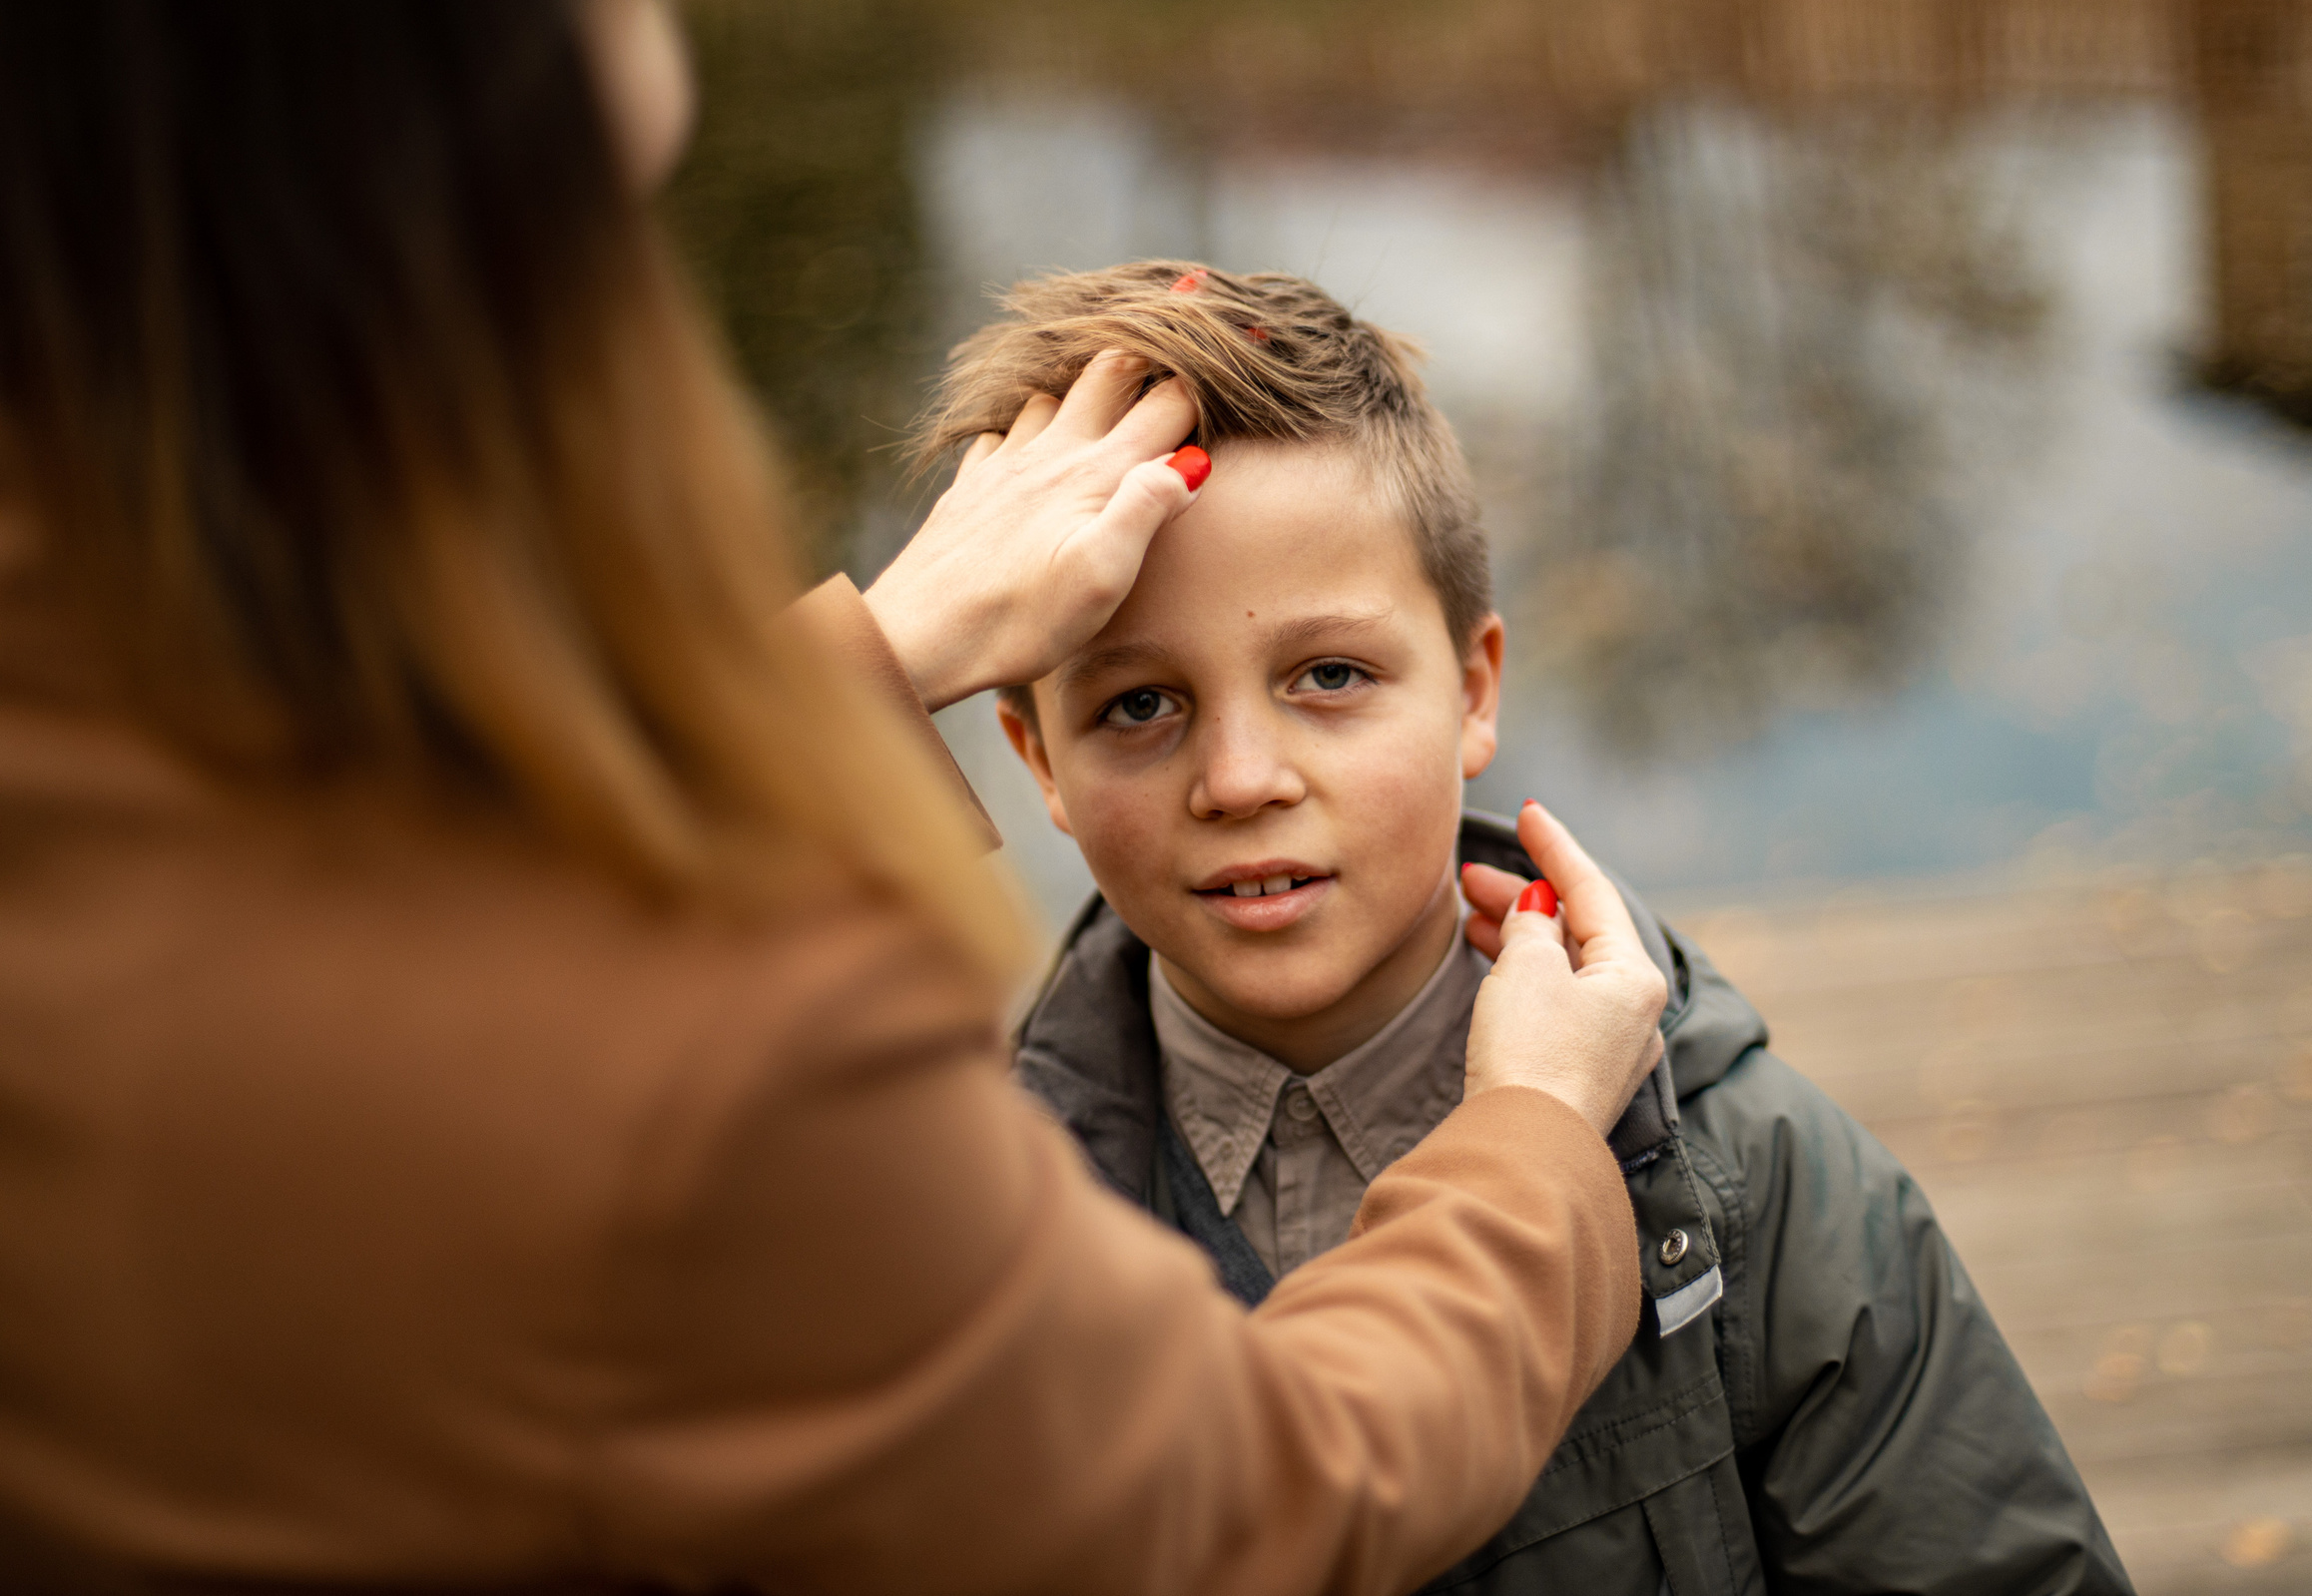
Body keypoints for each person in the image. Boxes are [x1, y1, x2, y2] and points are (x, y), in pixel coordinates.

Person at [0, 5, 1678, 1592]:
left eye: (1328, 676)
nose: (1245, 778)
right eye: (622, 203)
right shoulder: (725, 1072)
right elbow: (1246, 1510)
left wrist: (870, 656)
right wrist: (1527, 1138)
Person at [945, 263, 2140, 1594]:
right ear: (1034, 759)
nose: (1240, 778)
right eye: (1136, 706)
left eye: (1329, 676)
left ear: (1471, 690)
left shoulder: (1746, 1182)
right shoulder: (951, 1231)